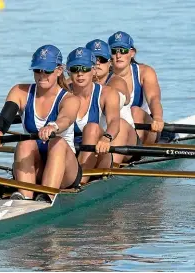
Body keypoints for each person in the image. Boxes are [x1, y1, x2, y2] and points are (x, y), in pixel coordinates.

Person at [0, 45, 81, 202]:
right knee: (25, 143)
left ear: (59, 70)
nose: (42, 75)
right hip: (35, 167)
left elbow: (66, 119)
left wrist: (54, 127)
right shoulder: (20, 91)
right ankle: (25, 198)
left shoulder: (70, 99)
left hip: (66, 171)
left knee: (57, 142)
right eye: (38, 70)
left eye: (48, 71)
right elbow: (5, 117)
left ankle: (47, 197)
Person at [66, 47, 120, 184]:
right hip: (70, 154)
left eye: (85, 68)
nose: (80, 73)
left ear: (93, 70)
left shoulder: (107, 93)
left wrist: (106, 138)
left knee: (91, 128)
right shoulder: (61, 95)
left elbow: (114, 121)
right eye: (75, 69)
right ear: (68, 71)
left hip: (100, 154)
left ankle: (79, 183)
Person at [85, 39, 138, 163]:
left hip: (124, 140)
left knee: (121, 124)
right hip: (93, 138)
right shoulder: (74, 82)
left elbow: (119, 96)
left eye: (102, 60)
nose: (97, 63)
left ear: (110, 63)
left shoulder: (116, 82)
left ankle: (112, 167)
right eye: (93, 59)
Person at [108, 31, 164, 144]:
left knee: (135, 111)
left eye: (123, 51)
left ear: (132, 53)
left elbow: (154, 98)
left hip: (147, 128)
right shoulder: (102, 75)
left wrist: (157, 118)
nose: (118, 56)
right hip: (116, 129)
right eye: (114, 51)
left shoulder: (145, 72)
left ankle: (136, 150)